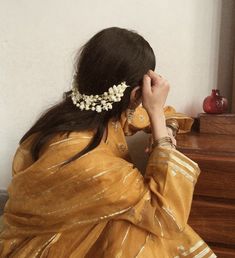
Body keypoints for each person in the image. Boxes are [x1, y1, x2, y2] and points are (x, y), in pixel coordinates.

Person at [0, 27, 216, 258]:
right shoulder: (92, 163)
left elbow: (168, 115)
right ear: (135, 95)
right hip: (46, 246)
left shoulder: (84, 119)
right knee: (133, 232)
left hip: (66, 228)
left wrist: (162, 124)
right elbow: (166, 217)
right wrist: (160, 131)